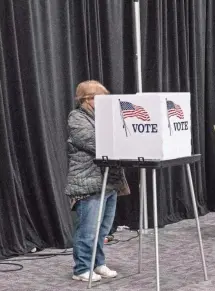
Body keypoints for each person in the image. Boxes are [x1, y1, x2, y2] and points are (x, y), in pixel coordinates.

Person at [65, 80, 130, 282]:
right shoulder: (77, 118)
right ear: (87, 99)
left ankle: (98, 263)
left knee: (103, 229)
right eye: (99, 98)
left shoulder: (104, 117)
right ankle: (82, 268)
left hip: (108, 181)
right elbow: (96, 142)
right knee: (88, 229)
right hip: (88, 181)